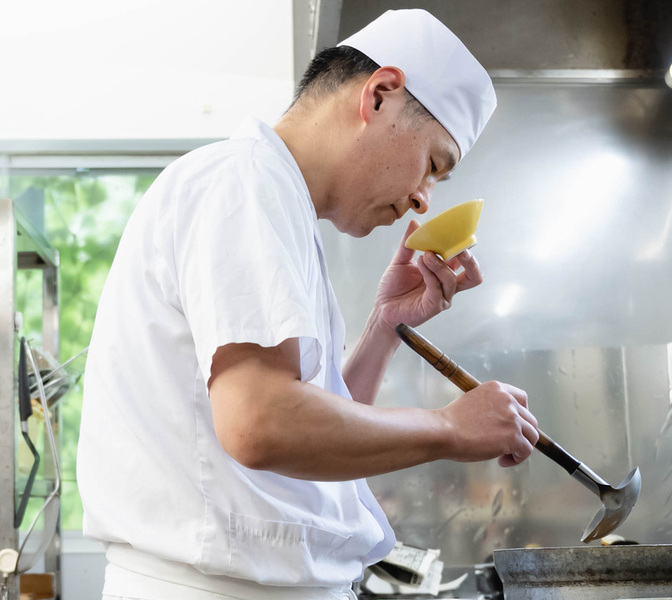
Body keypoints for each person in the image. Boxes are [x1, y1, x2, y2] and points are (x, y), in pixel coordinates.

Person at [76, 8, 540, 600]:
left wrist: (384, 328)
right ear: (381, 95)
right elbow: (262, 425)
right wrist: (450, 426)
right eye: (432, 166)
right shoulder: (243, 183)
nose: (423, 200)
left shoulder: (280, 206)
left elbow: (311, 437)